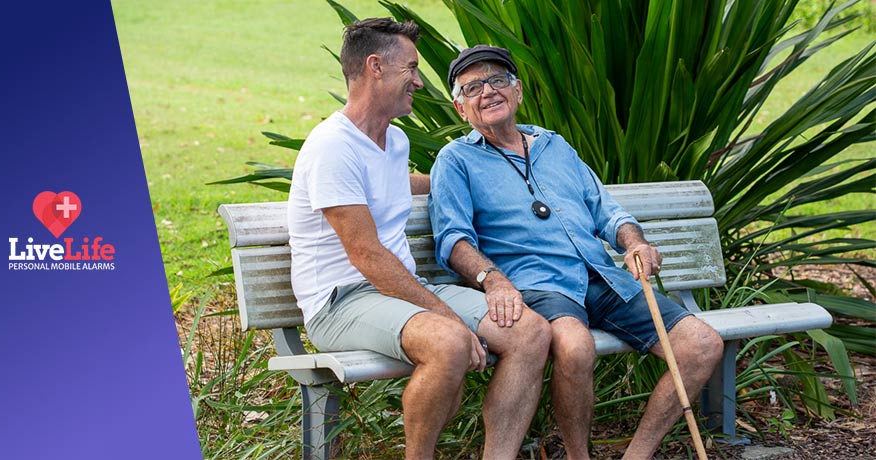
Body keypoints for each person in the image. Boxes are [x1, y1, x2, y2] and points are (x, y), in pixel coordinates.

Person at [429, 45, 724, 460]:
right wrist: (491, 281)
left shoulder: (556, 146)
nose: (487, 92)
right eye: (472, 87)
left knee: (703, 344)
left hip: (602, 277)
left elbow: (607, 210)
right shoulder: (455, 160)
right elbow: (452, 239)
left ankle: (637, 455)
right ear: (461, 109)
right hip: (538, 284)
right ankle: (577, 455)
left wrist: (634, 242)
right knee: (575, 345)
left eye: (497, 80)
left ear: (517, 92)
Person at [287, 21, 551, 459]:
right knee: (447, 342)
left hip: (399, 291)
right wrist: (447, 315)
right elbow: (366, 254)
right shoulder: (332, 147)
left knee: (530, 332)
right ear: (375, 67)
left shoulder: (394, 139)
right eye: (410, 67)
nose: (419, 79)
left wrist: (474, 180)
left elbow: (400, 183)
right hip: (339, 301)